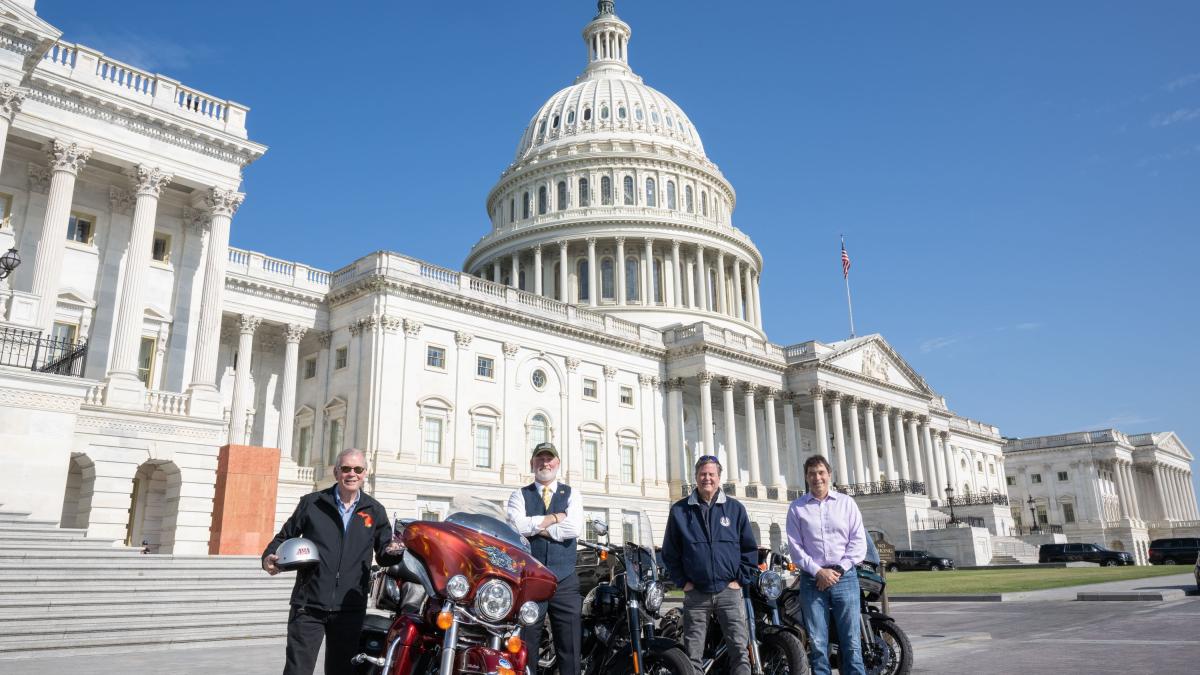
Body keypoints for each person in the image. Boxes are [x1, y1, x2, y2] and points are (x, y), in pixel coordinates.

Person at [262, 448, 403, 675]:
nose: (352, 474)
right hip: (308, 605)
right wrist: (268, 557)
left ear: (365, 473)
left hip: (349, 608)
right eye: (346, 468)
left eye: (357, 469)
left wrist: (394, 551)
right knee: (297, 670)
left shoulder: (375, 511)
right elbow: (283, 537)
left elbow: (385, 553)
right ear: (337, 472)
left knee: (341, 671)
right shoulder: (313, 503)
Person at [661, 455, 758, 675]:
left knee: (739, 651)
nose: (707, 479)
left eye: (711, 474)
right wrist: (682, 582)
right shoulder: (680, 511)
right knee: (692, 655)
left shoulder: (735, 509)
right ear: (695, 477)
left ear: (719, 477)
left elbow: (749, 550)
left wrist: (740, 580)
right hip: (696, 593)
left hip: (729, 592)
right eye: (703, 474)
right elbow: (669, 552)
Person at [505, 441, 583, 675]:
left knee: (570, 647)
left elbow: (573, 528)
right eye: (540, 458)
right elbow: (516, 526)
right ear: (532, 464)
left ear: (557, 463)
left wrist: (535, 525)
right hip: (529, 579)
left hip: (565, 579)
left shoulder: (572, 494)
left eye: (550, 459)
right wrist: (554, 518)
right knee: (525, 646)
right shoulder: (519, 495)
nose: (545, 462)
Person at [786, 455, 867, 675]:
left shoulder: (846, 503)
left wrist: (838, 570)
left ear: (829, 475)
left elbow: (858, 542)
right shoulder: (797, 508)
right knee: (818, 644)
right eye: (812, 473)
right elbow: (795, 548)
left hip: (845, 578)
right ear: (806, 477)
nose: (817, 478)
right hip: (813, 581)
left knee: (851, 642)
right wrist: (819, 571)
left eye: (821, 472)